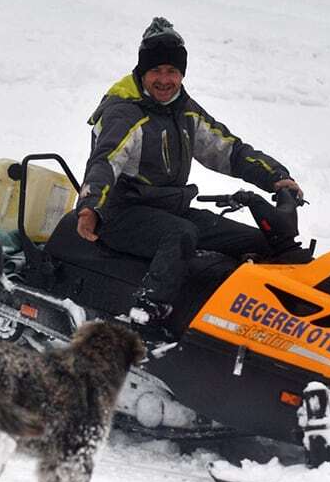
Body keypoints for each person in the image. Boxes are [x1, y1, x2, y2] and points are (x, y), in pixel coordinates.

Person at [75, 17, 303, 323]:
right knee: (181, 234)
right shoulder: (125, 112)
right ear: (143, 72)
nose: (164, 79)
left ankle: (253, 321)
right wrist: (90, 207)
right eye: (156, 70)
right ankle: (145, 317)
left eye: (172, 71)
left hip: (171, 209)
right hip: (121, 213)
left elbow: (227, 150)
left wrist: (275, 177)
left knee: (256, 241)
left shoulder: (183, 109)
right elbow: (105, 162)